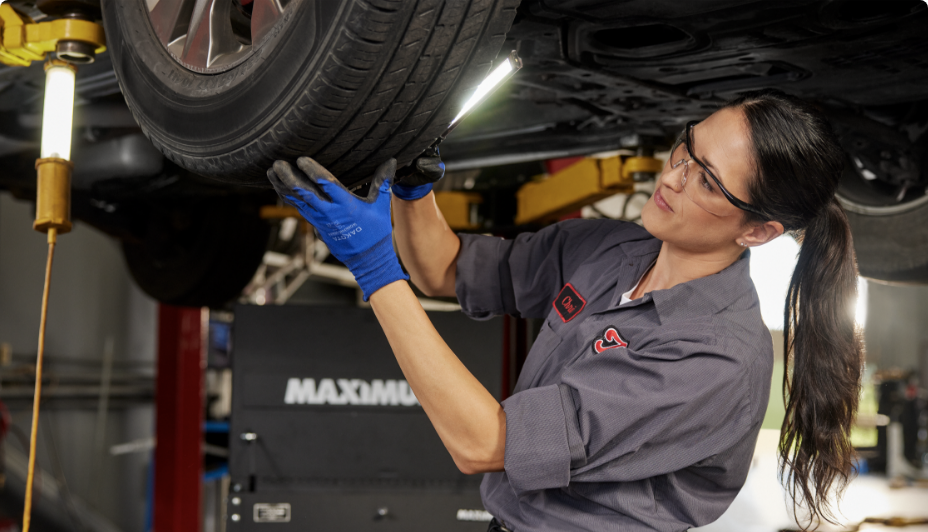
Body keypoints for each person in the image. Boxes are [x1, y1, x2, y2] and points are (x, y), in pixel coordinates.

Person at [266, 88, 863, 531]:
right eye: (687, 147)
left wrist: (375, 271)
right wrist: (413, 191)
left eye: (707, 181)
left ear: (758, 231)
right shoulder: (615, 249)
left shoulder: (713, 357)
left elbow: (482, 443)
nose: (674, 177)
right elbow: (445, 270)